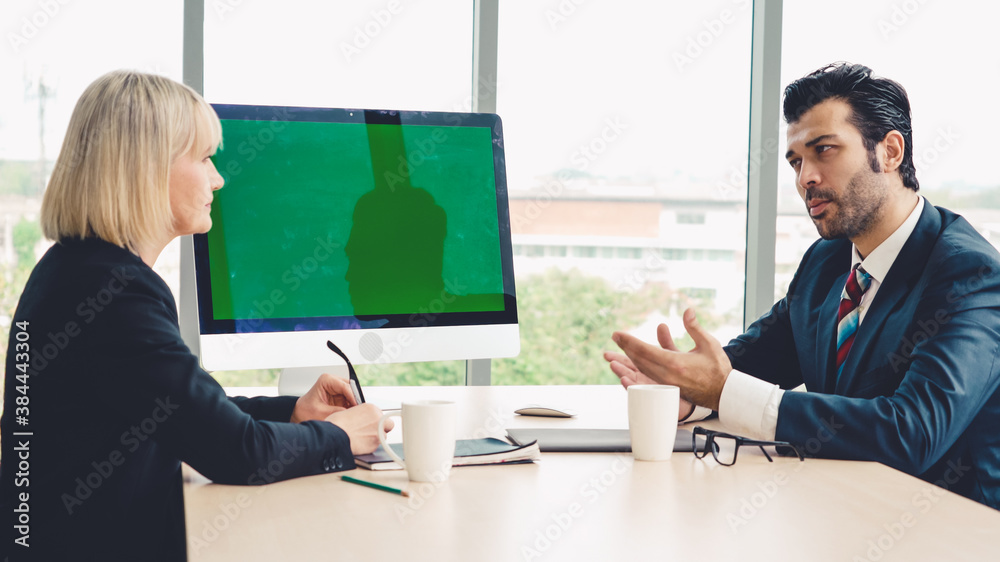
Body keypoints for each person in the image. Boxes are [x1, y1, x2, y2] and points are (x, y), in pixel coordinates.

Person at [0, 70, 392, 560]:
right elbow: (237, 453)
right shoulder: (113, 295)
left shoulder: (78, 270)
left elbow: (185, 411)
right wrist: (338, 437)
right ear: (146, 168)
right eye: (205, 158)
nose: (218, 178)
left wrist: (291, 411)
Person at [606, 62, 1000, 510]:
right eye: (796, 161)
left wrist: (721, 391)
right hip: (842, 511)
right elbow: (749, 366)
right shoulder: (827, 260)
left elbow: (912, 432)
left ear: (890, 152)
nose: (804, 178)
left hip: (954, 534)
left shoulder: (970, 275)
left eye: (824, 151)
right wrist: (685, 392)